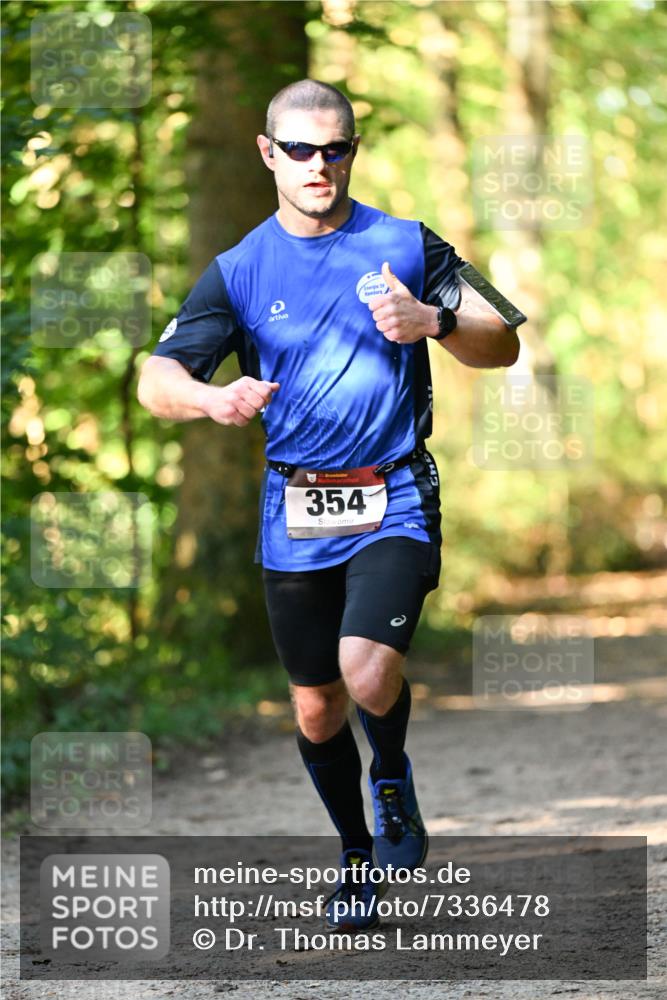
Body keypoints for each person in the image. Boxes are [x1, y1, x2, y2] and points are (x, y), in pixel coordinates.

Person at [137, 79, 520, 931]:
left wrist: (434, 322)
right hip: (296, 510)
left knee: (365, 668)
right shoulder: (238, 269)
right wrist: (211, 400)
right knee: (314, 704)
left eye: (335, 148)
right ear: (268, 153)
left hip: (395, 497)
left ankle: (390, 772)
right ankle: (354, 859)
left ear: (353, 150)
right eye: (301, 149)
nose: (320, 165)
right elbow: (154, 378)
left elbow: (503, 340)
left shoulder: (406, 244)